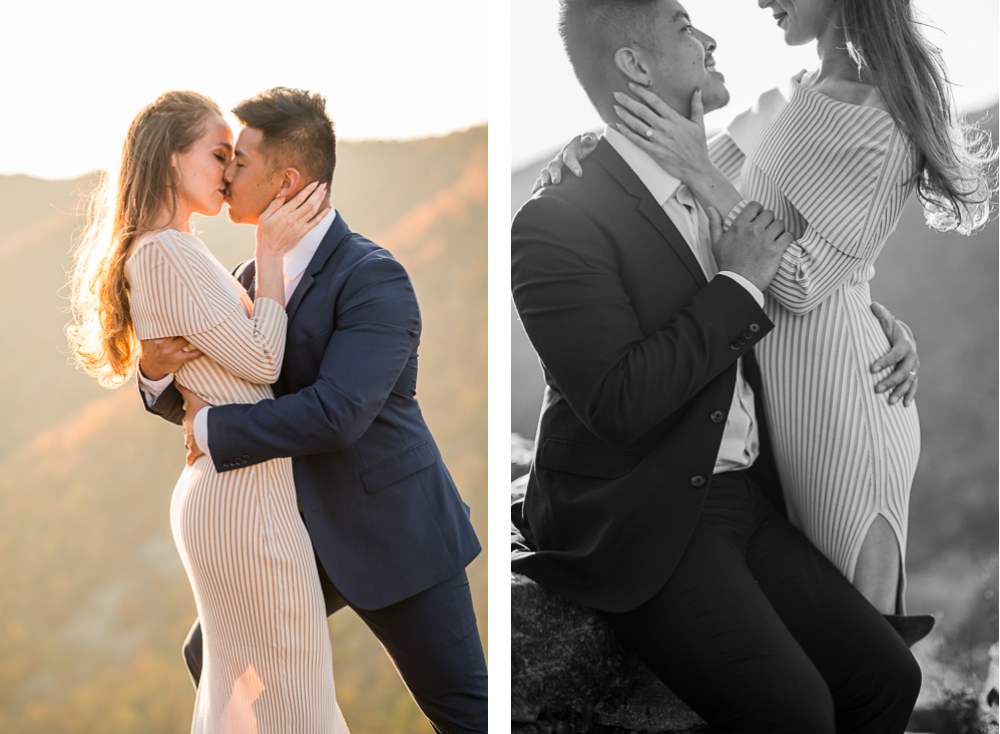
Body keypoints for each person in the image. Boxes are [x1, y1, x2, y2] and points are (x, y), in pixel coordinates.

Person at [510, 1, 923, 731]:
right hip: (644, 511)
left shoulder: (717, 180)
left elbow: (817, 274)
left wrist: (879, 324)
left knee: (888, 676)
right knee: (796, 712)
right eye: (682, 26)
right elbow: (617, 400)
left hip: (742, 492)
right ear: (635, 66)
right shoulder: (558, 218)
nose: (709, 36)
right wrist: (737, 286)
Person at [539, 0, 994, 627]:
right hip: (779, 406)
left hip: (844, 406)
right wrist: (590, 148)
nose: (757, 1)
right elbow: (676, 186)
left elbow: (804, 283)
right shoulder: (797, 94)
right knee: (823, 638)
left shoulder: (882, 114)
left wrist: (698, 167)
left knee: (868, 637)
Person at [137, 87, 487, 734]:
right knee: (208, 659)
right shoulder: (247, 275)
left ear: (287, 180)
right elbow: (220, 389)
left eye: (238, 161)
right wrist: (154, 376)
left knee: (466, 712)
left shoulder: (374, 277)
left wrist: (213, 430)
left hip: (395, 533)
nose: (226, 172)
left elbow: (336, 415)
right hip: (291, 535)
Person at [68, 90, 346, 733]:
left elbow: (220, 367)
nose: (228, 173)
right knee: (292, 698)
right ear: (171, 160)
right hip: (244, 499)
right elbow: (263, 362)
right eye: (219, 155)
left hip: (238, 489)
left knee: (261, 698)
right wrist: (273, 255)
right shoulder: (168, 251)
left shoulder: (177, 250)